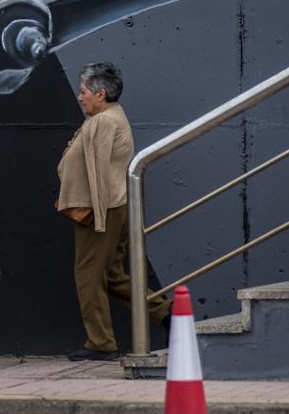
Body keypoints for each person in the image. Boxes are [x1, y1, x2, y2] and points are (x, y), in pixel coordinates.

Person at [56, 62, 169, 361]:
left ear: (100, 94)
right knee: (114, 276)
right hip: (112, 206)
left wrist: (95, 216)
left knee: (88, 276)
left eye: (83, 92)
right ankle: (164, 313)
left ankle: (101, 342)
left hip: (100, 210)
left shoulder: (103, 122)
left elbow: (98, 170)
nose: (80, 97)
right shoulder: (112, 117)